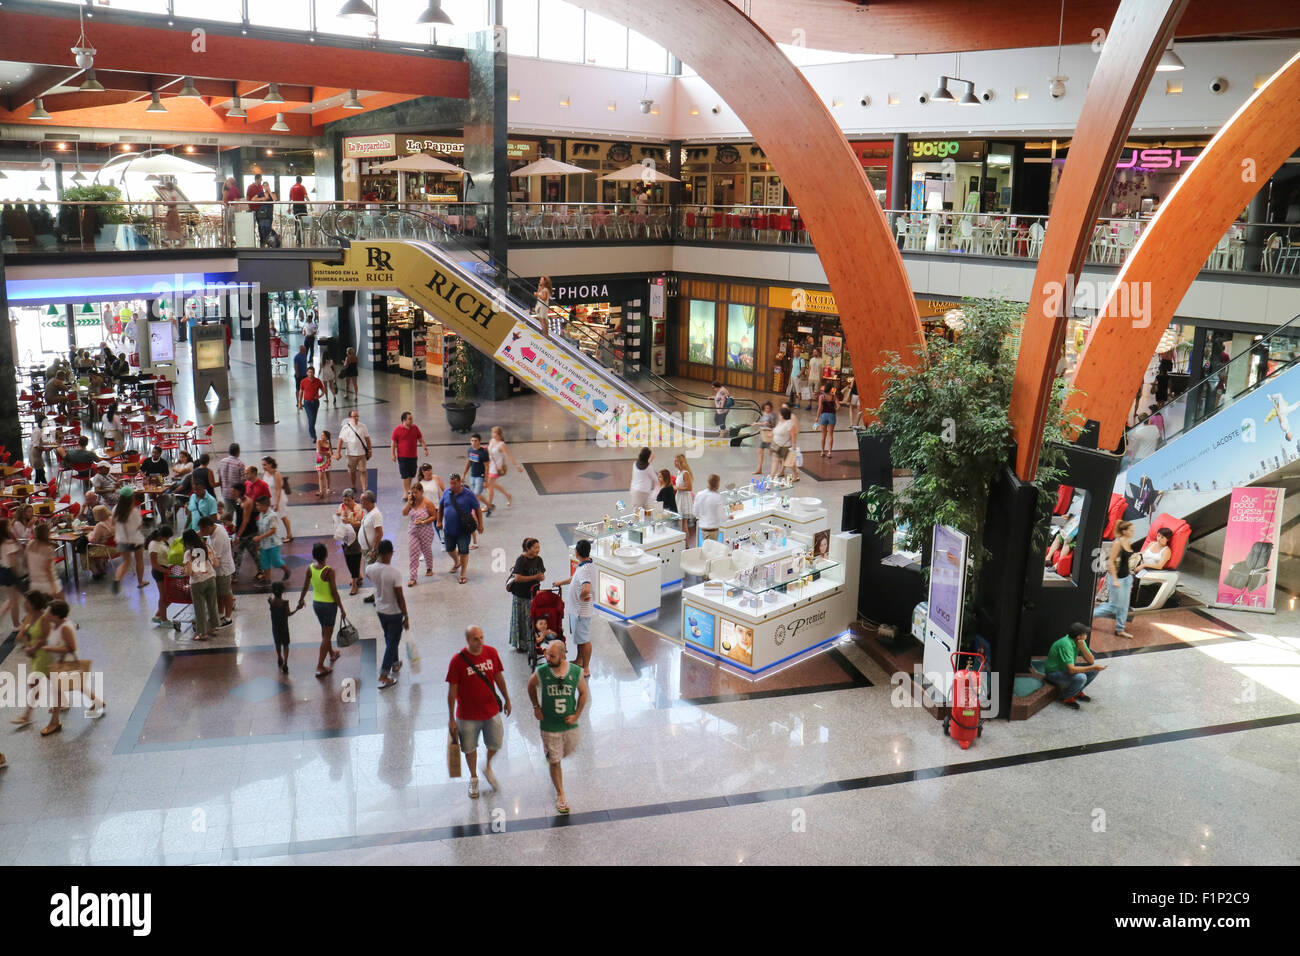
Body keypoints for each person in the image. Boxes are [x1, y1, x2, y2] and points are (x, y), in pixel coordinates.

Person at [446, 624, 511, 799]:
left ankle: (487, 765)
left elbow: (498, 677)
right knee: (469, 748)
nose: (480, 641)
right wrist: (451, 717)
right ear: (468, 640)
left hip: (490, 710)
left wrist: (507, 699)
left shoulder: (491, 653)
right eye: (476, 638)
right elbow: (452, 691)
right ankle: (473, 777)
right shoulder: (457, 661)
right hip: (467, 715)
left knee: (496, 743)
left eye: (482, 637)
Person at [528, 637, 588, 814]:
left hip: (569, 726)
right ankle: (561, 794)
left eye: (552, 657)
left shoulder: (576, 672)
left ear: (562, 656)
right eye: (547, 655)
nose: (548, 659)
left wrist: (577, 714)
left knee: (568, 750)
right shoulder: (542, 672)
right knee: (555, 760)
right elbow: (530, 686)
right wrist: (535, 706)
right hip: (549, 726)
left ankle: (552, 758)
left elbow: (583, 693)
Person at [297, 542, 347, 679]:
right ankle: (320, 666)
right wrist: (342, 608)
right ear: (326, 554)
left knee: (325, 631)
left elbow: (305, 586)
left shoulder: (310, 568)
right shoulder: (328, 571)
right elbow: (334, 592)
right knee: (327, 635)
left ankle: (331, 653)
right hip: (329, 605)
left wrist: (301, 600)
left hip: (317, 604)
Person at [365, 539, 409, 689]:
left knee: (389, 637)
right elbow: (400, 597)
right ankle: (384, 674)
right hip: (394, 612)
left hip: (380, 610)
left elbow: (368, 576)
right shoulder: (394, 573)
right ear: (391, 553)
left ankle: (395, 663)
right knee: (392, 642)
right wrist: (406, 616)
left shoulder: (370, 569)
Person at [553, 538, 595, 676]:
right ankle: (579, 660)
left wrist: (582, 597)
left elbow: (586, 587)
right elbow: (574, 579)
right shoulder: (585, 565)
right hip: (577, 610)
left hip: (580, 612)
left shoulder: (584, 570)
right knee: (580, 638)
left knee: (584, 639)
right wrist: (561, 582)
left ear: (577, 552)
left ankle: (586, 668)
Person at [10, 591, 51, 729]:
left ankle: (26, 715)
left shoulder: (44, 618)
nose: (24, 604)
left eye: (27, 602)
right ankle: (91, 698)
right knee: (55, 681)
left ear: (34, 604)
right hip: (35, 655)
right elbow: (23, 635)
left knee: (34, 684)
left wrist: (32, 648)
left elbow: (45, 638)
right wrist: (27, 645)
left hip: (44, 655)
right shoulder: (29, 617)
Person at [1042, 622, 1106, 709]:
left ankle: (1077, 692)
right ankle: (1065, 697)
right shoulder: (1066, 644)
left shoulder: (1080, 642)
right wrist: (1093, 667)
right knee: (1081, 677)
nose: (1086, 635)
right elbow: (1072, 670)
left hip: (1065, 669)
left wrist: (1083, 648)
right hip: (1054, 673)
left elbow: (1091, 660)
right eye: (1085, 634)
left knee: (1094, 671)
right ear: (1079, 636)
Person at [438, 473, 483, 585]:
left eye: (454, 483)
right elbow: (441, 506)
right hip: (449, 529)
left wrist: (480, 525)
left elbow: (477, 509)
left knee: (463, 551)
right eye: (451, 483)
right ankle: (456, 562)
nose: (452, 485)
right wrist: (439, 521)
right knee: (449, 549)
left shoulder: (468, 494)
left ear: (460, 482)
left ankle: (463, 574)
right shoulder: (447, 493)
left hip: (463, 530)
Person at [1094, 520, 1137, 638]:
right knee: (1114, 606)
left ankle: (1120, 629)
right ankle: (1089, 615)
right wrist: (1115, 579)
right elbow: (1111, 562)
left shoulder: (1128, 542)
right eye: (1131, 530)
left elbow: (1125, 561)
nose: (1133, 532)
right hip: (1117, 579)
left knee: (1124, 606)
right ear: (1124, 531)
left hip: (1127, 578)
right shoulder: (1118, 543)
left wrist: (1129, 578)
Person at [507, 537, 546, 653]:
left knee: (531, 619)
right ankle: (520, 644)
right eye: (535, 548)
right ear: (527, 549)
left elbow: (542, 574)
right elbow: (518, 578)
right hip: (521, 595)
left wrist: (541, 577)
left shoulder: (538, 559)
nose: (537, 550)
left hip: (534, 594)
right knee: (520, 619)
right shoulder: (521, 560)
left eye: (538, 547)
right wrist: (535, 577)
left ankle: (532, 642)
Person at [200, 514, 236, 628]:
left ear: (208, 527)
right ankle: (220, 615)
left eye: (202, 530)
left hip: (223, 569)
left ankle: (228, 617)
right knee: (219, 594)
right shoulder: (215, 527)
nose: (201, 532)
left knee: (226, 593)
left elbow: (216, 560)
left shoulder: (218, 538)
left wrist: (202, 568)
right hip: (218, 569)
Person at [183, 528, 218, 641]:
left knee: (200, 608)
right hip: (211, 578)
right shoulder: (206, 547)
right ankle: (213, 628)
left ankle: (202, 633)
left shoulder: (188, 553)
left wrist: (185, 570)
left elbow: (189, 572)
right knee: (212, 604)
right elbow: (216, 563)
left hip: (197, 582)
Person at [111, 489, 147, 594]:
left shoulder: (115, 509)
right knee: (139, 560)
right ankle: (140, 582)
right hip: (135, 539)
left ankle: (117, 579)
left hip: (122, 539)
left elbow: (113, 523)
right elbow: (139, 526)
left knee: (126, 562)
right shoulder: (134, 511)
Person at [402, 482, 438, 586]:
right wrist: (408, 502)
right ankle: (413, 577)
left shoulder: (428, 503)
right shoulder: (411, 502)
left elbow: (433, 516)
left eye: (416, 492)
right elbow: (404, 513)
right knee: (413, 554)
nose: (414, 495)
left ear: (421, 492)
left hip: (426, 531)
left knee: (426, 550)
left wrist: (423, 521)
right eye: (412, 493)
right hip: (413, 531)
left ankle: (429, 567)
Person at [253, 495, 290, 584]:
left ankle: (287, 571)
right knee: (264, 561)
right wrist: (259, 543)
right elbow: (260, 529)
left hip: (273, 544)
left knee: (276, 561)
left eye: (259, 505)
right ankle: (267, 580)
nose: (257, 507)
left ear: (265, 505)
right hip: (263, 544)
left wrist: (259, 538)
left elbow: (273, 530)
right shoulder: (261, 515)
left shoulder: (272, 516)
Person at [391, 411, 428, 494]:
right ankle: (406, 492)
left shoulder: (415, 428)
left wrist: (425, 449)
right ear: (404, 420)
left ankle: (408, 489)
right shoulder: (397, 430)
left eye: (412, 419)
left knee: (411, 473)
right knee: (404, 474)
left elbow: (420, 439)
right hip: (402, 456)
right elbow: (393, 443)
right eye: (410, 419)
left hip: (413, 456)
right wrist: (393, 454)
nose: (412, 420)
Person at [484, 426, 519, 514]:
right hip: (489, 465)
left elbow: (508, 456)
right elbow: (488, 450)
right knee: (492, 485)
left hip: (495, 468)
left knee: (489, 486)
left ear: (499, 435)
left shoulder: (502, 445)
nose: (493, 436)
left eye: (495, 434)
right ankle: (508, 495)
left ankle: (488, 505)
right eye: (492, 434)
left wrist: (516, 465)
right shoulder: (492, 441)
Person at [357, 490, 385, 602]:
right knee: (371, 573)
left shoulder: (376, 514)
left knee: (372, 573)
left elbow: (379, 533)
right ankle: (377, 593)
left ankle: (381, 596)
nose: (360, 502)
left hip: (372, 550)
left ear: (369, 501)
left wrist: (374, 549)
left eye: (362, 501)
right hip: (366, 549)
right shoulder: (368, 512)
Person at [336, 409, 372, 494]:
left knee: (363, 471)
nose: (356, 418)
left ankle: (364, 488)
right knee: (352, 472)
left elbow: (367, 439)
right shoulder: (345, 427)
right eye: (354, 416)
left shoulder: (363, 426)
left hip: (362, 454)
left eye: (357, 416)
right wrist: (338, 452)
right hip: (350, 455)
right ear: (349, 418)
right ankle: (353, 485)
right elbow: (340, 440)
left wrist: (370, 450)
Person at [336, 489, 364, 595]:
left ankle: (354, 584)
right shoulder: (341, 506)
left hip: (355, 537)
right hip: (345, 537)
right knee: (347, 557)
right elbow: (338, 517)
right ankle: (358, 575)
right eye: (344, 500)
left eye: (348, 500)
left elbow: (360, 524)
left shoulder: (358, 508)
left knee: (355, 559)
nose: (346, 503)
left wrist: (350, 521)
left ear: (353, 499)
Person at [25, 522, 61, 601]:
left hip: (34, 581)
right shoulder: (48, 548)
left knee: (38, 608)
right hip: (46, 582)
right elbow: (48, 570)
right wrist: (53, 586)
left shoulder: (30, 544)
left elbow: (26, 562)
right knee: (59, 605)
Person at [146, 525, 174, 626]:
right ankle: (163, 619)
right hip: (159, 572)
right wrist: (165, 571)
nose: (168, 539)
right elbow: (154, 564)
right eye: (167, 537)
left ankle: (158, 615)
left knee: (170, 596)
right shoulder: (153, 545)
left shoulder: (163, 542)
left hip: (166, 569)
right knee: (164, 596)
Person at [268, 581, 298, 674]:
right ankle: (285, 662)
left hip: (275, 627)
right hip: (284, 627)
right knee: (285, 644)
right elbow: (289, 614)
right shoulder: (285, 603)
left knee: (277, 643)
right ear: (283, 592)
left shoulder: (271, 602)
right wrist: (297, 609)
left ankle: (279, 657)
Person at [262, 457, 293, 543]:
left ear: (270, 464)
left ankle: (289, 535)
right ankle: (272, 535)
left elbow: (279, 489)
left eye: (265, 465)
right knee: (271, 518)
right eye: (262, 465)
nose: (263, 467)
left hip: (278, 499)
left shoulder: (276, 474)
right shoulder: (265, 473)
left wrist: (277, 503)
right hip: (270, 499)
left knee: (283, 516)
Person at [693, 474, 728, 544]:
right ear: (717, 484)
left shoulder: (699, 494)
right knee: (711, 552)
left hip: (703, 530)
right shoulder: (717, 497)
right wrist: (728, 517)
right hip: (713, 531)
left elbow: (695, 513)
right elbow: (722, 517)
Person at [770, 404, 800, 481]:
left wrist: (793, 446)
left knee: (790, 463)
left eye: (779, 414)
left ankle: (796, 475)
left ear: (782, 415)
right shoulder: (780, 422)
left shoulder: (789, 423)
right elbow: (775, 430)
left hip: (785, 447)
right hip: (777, 445)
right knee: (775, 460)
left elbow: (793, 435)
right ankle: (771, 477)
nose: (778, 416)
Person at [85, 505, 116, 579]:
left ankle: (95, 571)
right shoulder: (113, 520)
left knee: (84, 549)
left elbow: (93, 541)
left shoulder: (99, 526)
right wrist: (91, 528)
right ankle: (100, 568)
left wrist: (88, 535)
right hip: (117, 546)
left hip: (106, 550)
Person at [217, 443, 245, 519]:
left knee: (228, 514)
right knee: (240, 514)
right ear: (238, 452)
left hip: (225, 492)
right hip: (236, 494)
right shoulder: (240, 464)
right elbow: (242, 480)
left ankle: (227, 529)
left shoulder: (222, 461)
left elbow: (220, 477)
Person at [298, 365, 324, 441]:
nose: (310, 374)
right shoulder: (303, 381)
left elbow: (323, 390)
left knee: (313, 419)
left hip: (315, 403)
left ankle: (312, 432)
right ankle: (313, 436)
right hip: (307, 403)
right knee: (311, 419)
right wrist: (299, 403)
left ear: (314, 373)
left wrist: (319, 396)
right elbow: (301, 392)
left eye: (312, 372)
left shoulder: (318, 381)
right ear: (307, 373)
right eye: (309, 372)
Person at [463, 433, 490, 506]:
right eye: (472, 441)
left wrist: (485, 480)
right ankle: (489, 506)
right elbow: (468, 463)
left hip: (480, 477)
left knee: (475, 495)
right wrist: (464, 475)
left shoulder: (483, 452)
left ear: (479, 441)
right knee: (476, 494)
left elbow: (487, 467)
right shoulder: (470, 450)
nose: (473, 443)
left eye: (475, 441)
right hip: (472, 475)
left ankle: (473, 512)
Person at [673, 454, 695, 537]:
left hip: (684, 499)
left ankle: (686, 544)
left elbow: (689, 488)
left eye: (676, 461)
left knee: (684, 524)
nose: (674, 463)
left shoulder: (685, 473)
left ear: (680, 462)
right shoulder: (679, 472)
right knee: (682, 523)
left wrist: (676, 488)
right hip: (679, 498)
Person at [752, 401, 776, 474]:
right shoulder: (764, 415)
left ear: (771, 408)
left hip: (769, 435)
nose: (767, 409)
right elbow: (763, 424)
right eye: (765, 408)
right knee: (760, 451)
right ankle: (759, 469)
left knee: (773, 453)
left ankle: (780, 467)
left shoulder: (772, 416)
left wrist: (757, 423)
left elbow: (772, 425)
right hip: (763, 435)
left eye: (768, 408)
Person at [629, 446, 655, 511]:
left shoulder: (635, 464)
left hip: (635, 490)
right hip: (644, 491)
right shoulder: (648, 467)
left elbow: (645, 465)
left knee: (638, 510)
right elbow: (655, 477)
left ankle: (645, 520)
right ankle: (648, 520)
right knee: (645, 509)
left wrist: (650, 461)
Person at [816, 382, 839, 458]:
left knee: (823, 435)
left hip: (823, 416)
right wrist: (834, 409)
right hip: (832, 416)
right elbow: (838, 406)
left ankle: (822, 451)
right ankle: (829, 452)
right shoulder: (834, 396)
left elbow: (820, 408)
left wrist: (817, 417)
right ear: (831, 388)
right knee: (830, 435)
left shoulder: (822, 396)